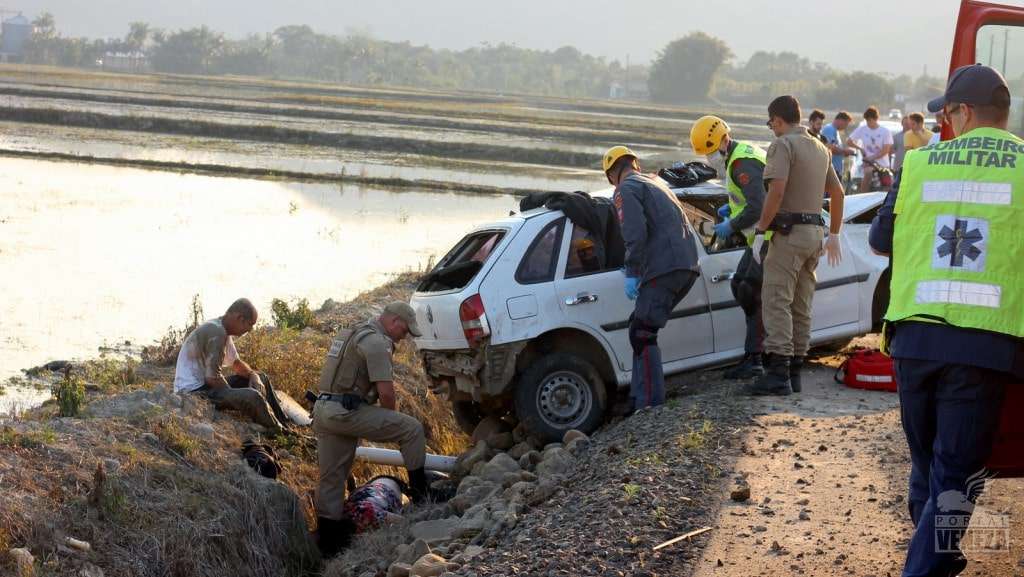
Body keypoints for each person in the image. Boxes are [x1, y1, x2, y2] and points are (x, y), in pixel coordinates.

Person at [869, 63, 1024, 577]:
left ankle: (938, 555)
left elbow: (879, 240)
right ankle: (928, 566)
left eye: (949, 112)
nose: (947, 122)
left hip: (914, 336)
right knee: (955, 473)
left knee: (929, 464)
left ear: (965, 112)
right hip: (985, 344)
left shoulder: (917, 163)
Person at [313, 301, 431, 557]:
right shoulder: (378, 342)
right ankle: (422, 498)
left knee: (331, 478)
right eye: (405, 331)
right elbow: (386, 394)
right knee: (411, 429)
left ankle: (329, 545)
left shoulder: (352, 331)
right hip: (346, 412)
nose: (405, 336)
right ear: (394, 322)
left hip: (323, 410)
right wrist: (391, 425)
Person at [748, 95, 844, 396]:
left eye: (771, 123)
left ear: (777, 119)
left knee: (776, 299)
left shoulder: (782, 145)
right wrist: (835, 235)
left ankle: (778, 374)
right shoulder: (820, 147)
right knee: (802, 303)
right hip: (816, 233)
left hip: (789, 234)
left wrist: (761, 230)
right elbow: (838, 193)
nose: (771, 129)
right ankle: (795, 372)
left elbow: (776, 192)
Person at [604, 145, 700, 410]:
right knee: (639, 323)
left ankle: (649, 404)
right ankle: (639, 396)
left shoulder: (626, 189)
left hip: (665, 267)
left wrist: (632, 271)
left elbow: (634, 233)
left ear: (612, 174)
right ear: (634, 164)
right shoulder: (656, 182)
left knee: (643, 333)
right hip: (686, 265)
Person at [689, 116, 769, 378]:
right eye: (706, 154)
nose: (709, 158)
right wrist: (731, 208)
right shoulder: (737, 156)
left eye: (711, 152)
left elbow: (758, 205)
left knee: (749, 290)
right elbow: (746, 198)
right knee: (740, 286)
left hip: (767, 237)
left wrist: (731, 224)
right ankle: (755, 353)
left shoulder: (741, 163)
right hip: (757, 239)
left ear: (724, 140)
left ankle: (756, 357)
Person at [173, 298, 287, 431]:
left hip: (207, 386)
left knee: (262, 378)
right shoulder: (217, 332)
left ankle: (284, 421)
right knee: (252, 396)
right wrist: (235, 395)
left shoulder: (223, 330)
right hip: (194, 392)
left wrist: (252, 375)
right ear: (240, 318)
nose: (250, 330)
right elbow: (212, 378)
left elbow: (236, 363)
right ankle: (278, 430)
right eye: (250, 324)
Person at [846, 106, 894, 191]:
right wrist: (860, 148)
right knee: (868, 173)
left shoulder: (885, 131)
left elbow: (886, 150)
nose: (868, 123)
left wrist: (872, 157)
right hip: (868, 164)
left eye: (870, 120)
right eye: (866, 120)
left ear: (875, 119)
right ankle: (863, 196)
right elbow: (849, 141)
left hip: (882, 165)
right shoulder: (862, 129)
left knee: (886, 188)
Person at [820, 111, 856, 190]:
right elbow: (830, 147)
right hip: (831, 170)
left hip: (836, 170)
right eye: (846, 124)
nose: (845, 127)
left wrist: (843, 152)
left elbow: (837, 149)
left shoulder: (835, 131)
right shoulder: (829, 129)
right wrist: (845, 151)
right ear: (840, 120)